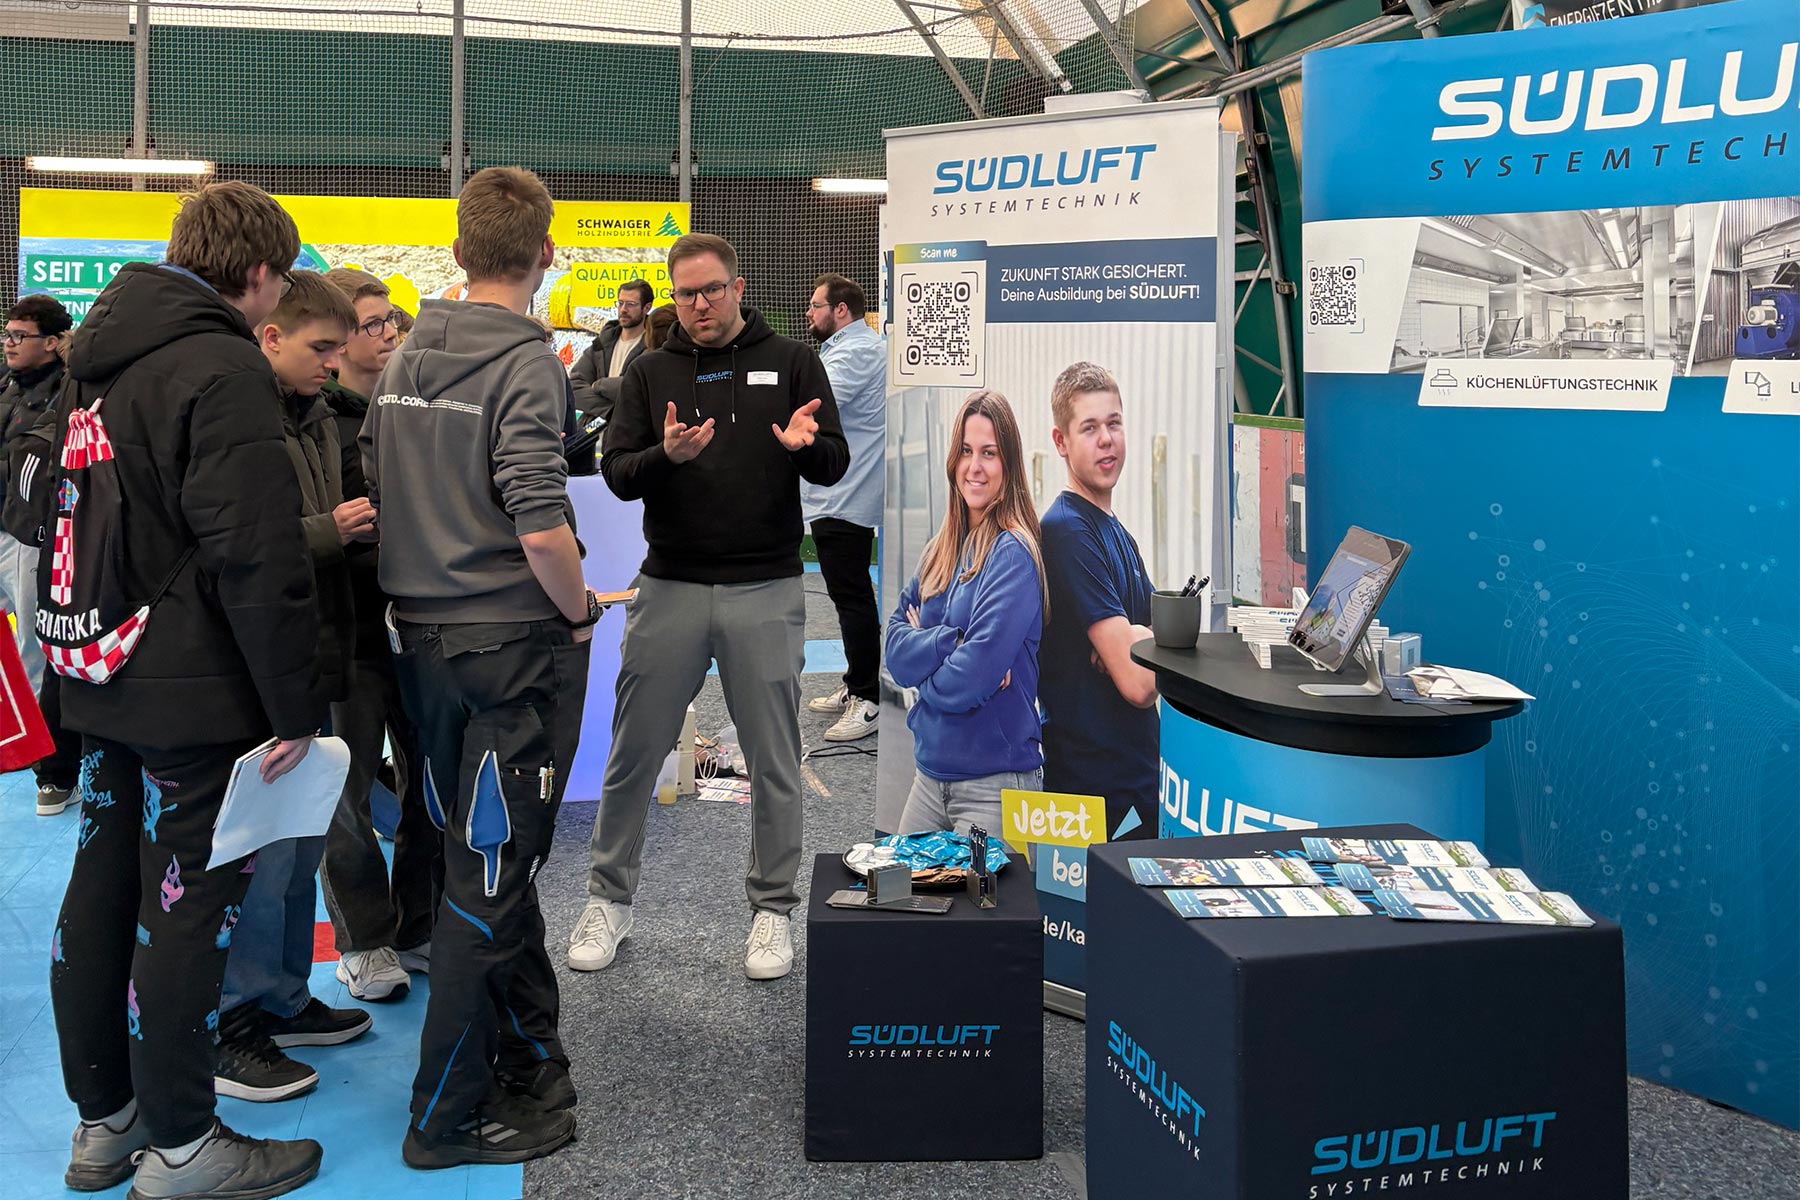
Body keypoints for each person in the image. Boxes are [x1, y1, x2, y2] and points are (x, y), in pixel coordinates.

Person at [46, 181, 327, 1200]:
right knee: (184, 912)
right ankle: (182, 1145)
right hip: (194, 693)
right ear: (256, 272)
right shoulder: (221, 364)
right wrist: (294, 706)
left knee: (101, 891)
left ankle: (106, 1120)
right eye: (281, 282)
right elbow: (254, 551)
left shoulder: (95, 364)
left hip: (102, 669)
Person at [360, 166, 595, 1170]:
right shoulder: (529, 365)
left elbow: (375, 479)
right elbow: (540, 520)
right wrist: (579, 610)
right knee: (489, 878)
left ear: (458, 252)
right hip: (508, 652)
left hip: (422, 650)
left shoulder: (404, 358)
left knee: (487, 863)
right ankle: (444, 1117)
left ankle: (530, 1057)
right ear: (545, 254)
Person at [572, 232, 848, 982]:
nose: (700, 305)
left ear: (738, 287)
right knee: (633, 751)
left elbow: (834, 460)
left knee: (774, 759)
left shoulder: (792, 361)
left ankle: (771, 910)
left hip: (767, 585)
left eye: (712, 290)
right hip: (670, 584)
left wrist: (803, 447)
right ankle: (608, 899)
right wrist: (666, 457)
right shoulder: (650, 370)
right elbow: (617, 473)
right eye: (686, 293)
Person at [213, 271, 374, 1104]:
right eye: (322, 348)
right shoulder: (236, 417)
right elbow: (233, 546)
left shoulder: (317, 415)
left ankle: (279, 998)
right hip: (254, 669)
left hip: (310, 650)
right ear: (270, 336)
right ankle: (234, 1022)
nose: (333, 363)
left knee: (298, 844)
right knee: (255, 854)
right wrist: (327, 530)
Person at [316, 266, 438, 1004]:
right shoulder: (309, 420)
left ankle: (419, 924)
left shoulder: (417, 404)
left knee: (430, 781)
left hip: (421, 623)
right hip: (349, 631)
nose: (388, 333)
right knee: (347, 791)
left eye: (392, 318)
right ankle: (365, 939)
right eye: (372, 323)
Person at [885, 390, 1046, 837]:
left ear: (1008, 464)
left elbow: (971, 678)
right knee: (900, 885)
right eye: (966, 451)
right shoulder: (939, 549)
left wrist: (925, 670)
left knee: (979, 894)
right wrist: (952, 642)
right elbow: (895, 650)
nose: (975, 466)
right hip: (928, 778)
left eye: (989, 453)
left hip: (994, 785)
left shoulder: (1012, 553)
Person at [1037, 362, 1159, 841]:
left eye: (1114, 423)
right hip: (1093, 794)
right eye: (1089, 428)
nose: (1106, 439)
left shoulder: (1118, 534)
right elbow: (1139, 683)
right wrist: (1138, 644)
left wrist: (1137, 638)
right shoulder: (1069, 532)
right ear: (1061, 441)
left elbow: (1165, 646)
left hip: (1134, 777)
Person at [0, 294, 79, 814]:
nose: (9, 344)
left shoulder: (69, 393)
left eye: (19, 336)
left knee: (35, 649)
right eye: (6, 335)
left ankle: (44, 761)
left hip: (29, 540)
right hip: (4, 531)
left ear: (52, 342)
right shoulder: (5, 386)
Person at [800, 273, 885, 743]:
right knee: (847, 594)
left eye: (816, 306)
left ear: (840, 310)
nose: (809, 313)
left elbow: (813, 405)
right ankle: (857, 682)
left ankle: (868, 698)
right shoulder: (847, 349)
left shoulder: (857, 352)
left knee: (852, 596)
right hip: (838, 493)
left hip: (845, 496)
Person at [568, 277, 652, 423]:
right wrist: (612, 411)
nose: (623, 310)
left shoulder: (652, 346)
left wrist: (599, 386)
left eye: (631, 304)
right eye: (620, 303)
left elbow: (635, 389)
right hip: (595, 431)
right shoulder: (603, 343)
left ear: (647, 308)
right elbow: (573, 388)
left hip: (631, 431)